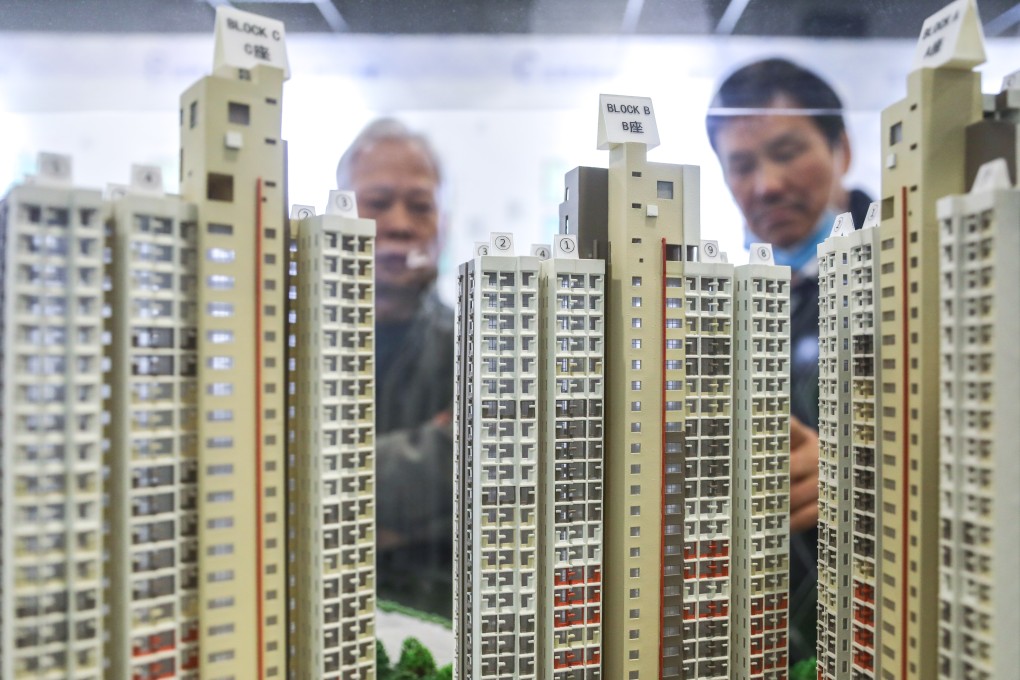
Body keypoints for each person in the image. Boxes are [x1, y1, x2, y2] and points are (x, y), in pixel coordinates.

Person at [705, 58, 873, 663]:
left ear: (842, 149)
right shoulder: (725, 304)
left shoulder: (913, 271)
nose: (767, 185)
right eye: (742, 165)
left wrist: (859, 481)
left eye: (787, 151)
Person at [337, 119, 455, 617]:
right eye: (378, 202)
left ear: (442, 223)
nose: (400, 224)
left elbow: (477, 477)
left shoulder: (476, 348)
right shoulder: (288, 343)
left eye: (421, 205)